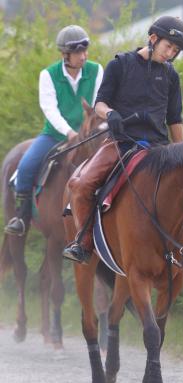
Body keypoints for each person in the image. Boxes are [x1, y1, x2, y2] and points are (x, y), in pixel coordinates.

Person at [63, 16, 183, 264]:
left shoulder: (171, 76)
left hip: (157, 148)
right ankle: (84, 242)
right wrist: (110, 114)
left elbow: (175, 119)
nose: (171, 54)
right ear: (153, 39)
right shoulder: (120, 65)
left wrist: (181, 153)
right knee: (80, 186)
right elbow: (100, 103)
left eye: (176, 51)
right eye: (169, 47)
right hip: (120, 143)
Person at [4, 25, 103, 236]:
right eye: (78, 52)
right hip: (55, 135)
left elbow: (97, 104)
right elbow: (49, 109)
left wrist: (87, 132)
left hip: (88, 135)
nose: (83, 56)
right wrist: (69, 132)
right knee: (26, 166)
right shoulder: (48, 75)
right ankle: (21, 217)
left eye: (85, 51)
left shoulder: (96, 70)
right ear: (65, 54)